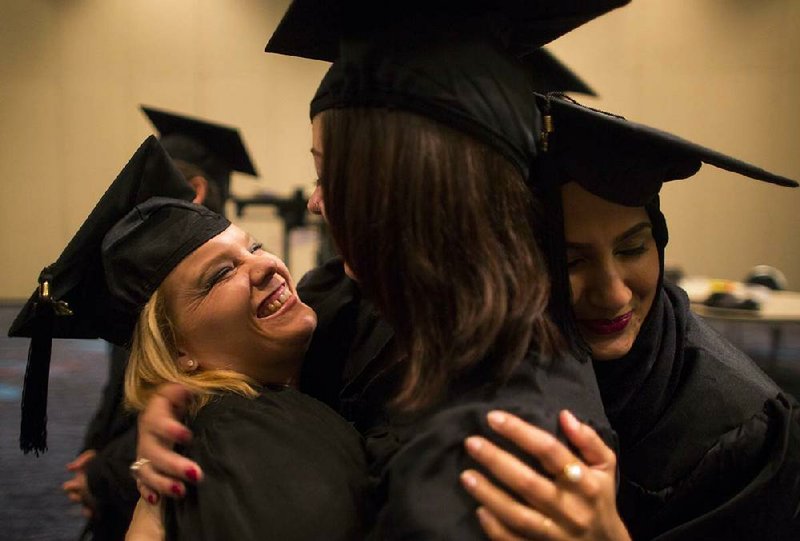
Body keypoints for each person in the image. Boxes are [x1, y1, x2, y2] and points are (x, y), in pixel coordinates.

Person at [132, 2, 637, 538]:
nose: (315, 203)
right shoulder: (353, 302)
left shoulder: (502, 454)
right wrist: (179, 400)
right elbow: (237, 357)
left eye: (327, 173)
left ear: (397, 189)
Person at [458, 94, 800, 540]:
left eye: (633, 248)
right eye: (571, 262)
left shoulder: (743, 433)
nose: (613, 293)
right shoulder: (486, 361)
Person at [10, 137, 368, 541]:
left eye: (254, 247)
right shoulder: (247, 441)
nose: (266, 265)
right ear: (178, 351)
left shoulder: (243, 412)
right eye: (220, 274)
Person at [60, 111, 261, 540]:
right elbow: (126, 390)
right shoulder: (159, 293)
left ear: (194, 192)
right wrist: (95, 449)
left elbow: (194, 414)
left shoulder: (210, 310)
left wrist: (99, 476)